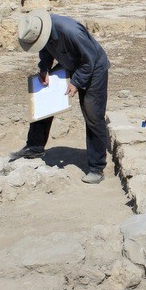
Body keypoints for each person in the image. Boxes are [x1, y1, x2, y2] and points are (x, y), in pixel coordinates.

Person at [16, 10, 110, 184]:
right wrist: (44, 68)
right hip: (72, 62)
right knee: (42, 96)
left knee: (93, 115)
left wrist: (75, 83)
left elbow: (89, 61)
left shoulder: (72, 33)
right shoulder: (41, 29)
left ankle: (97, 167)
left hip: (93, 67)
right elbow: (45, 50)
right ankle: (35, 146)